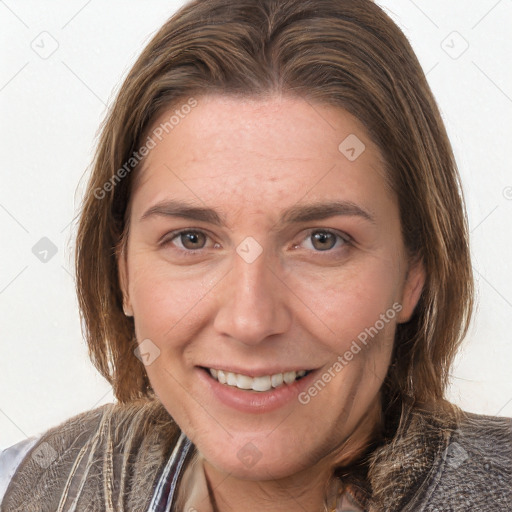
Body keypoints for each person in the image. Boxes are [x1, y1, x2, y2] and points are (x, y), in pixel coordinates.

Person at [1, 0, 511, 510]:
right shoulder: (22, 488)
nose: (250, 321)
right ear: (123, 270)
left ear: (413, 274)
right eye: (192, 239)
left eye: (322, 240)